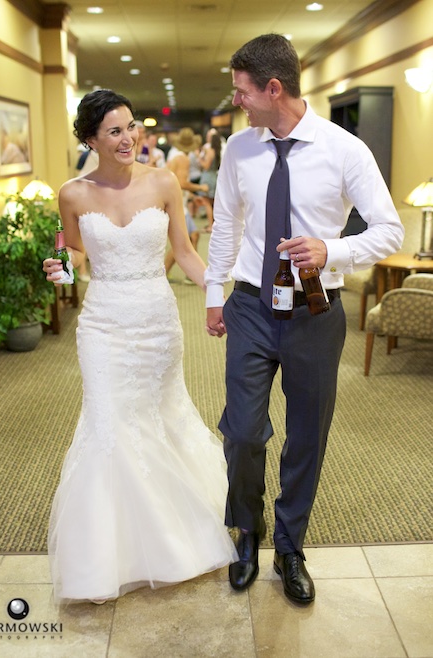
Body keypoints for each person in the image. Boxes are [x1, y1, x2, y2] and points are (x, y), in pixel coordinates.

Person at [204, 34, 404, 604]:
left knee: (307, 436)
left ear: (274, 88)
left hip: (316, 312)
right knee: (242, 432)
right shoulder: (239, 150)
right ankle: (248, 531)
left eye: (242, 90)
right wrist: (215, 295)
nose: (236, 99)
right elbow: (224, 225)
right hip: (249, 303)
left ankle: (290, 546)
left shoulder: (345, 150)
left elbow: (390, 230)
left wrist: (332, 250)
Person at [43, 89, 237, 604]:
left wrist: (217, 295)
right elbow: (75, 257)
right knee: (108, 423)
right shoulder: (72, 194)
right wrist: (60, 269)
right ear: (91, 139)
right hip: (103, 324)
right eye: (114, 131)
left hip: (156, 321)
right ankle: (108, 557)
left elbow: (185, 252)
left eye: (131, 127)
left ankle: (177, 536)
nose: (128, 138)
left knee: (161, 416)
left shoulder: (163, 182)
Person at [164, 128, 209, 280]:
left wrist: (192, 195)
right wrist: (199, 188)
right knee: (184, 243)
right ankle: (189, 275)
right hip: (178, 207)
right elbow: (181, 182)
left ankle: (185, 274)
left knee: (192, 237)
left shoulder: (175, 157)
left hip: (177, 204)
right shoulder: (183, 159)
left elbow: (175, 182)